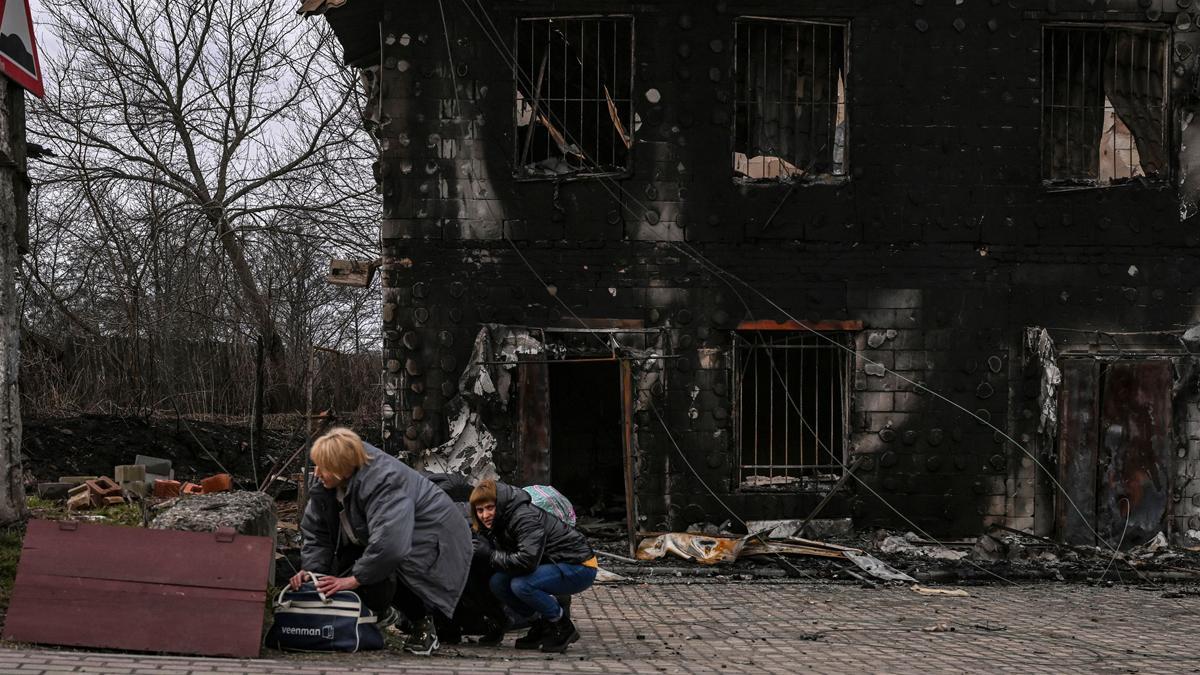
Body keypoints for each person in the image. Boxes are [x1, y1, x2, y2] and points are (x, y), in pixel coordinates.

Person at [291, 428, 472, 656]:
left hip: (433, 536)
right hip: (384, 538)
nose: (317, 472)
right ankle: (377, 614)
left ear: (341, 467)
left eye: (323, 466)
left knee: (394, 569)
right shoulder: (327, 483)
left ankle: (423, 627)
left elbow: (391, 545)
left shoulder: (384, 481)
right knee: (345, 572)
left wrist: (354, 579)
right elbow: (317, 532)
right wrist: (311, 572)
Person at [469, 479, 597, 653]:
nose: (485, 515)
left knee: (521, 585)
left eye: (490, 508)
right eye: (480, 510)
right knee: (498, 582)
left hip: (579, 565)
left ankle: (562, 626)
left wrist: (490, 554)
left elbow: (526, 562)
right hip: (551, 564)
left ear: (499, 505)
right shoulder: (498, 522)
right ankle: (540, 625)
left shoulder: (524, 517)